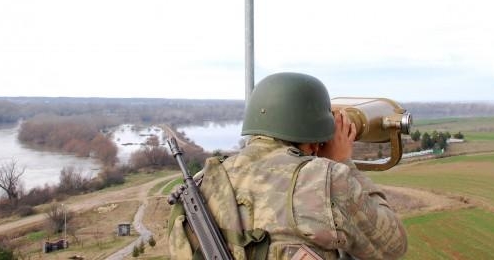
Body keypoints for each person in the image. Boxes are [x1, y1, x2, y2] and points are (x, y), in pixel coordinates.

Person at [168, 72, 408, 260]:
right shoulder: (324, 180)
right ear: (312, 134)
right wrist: (343, 163)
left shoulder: (200, 184)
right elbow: (392, 245)